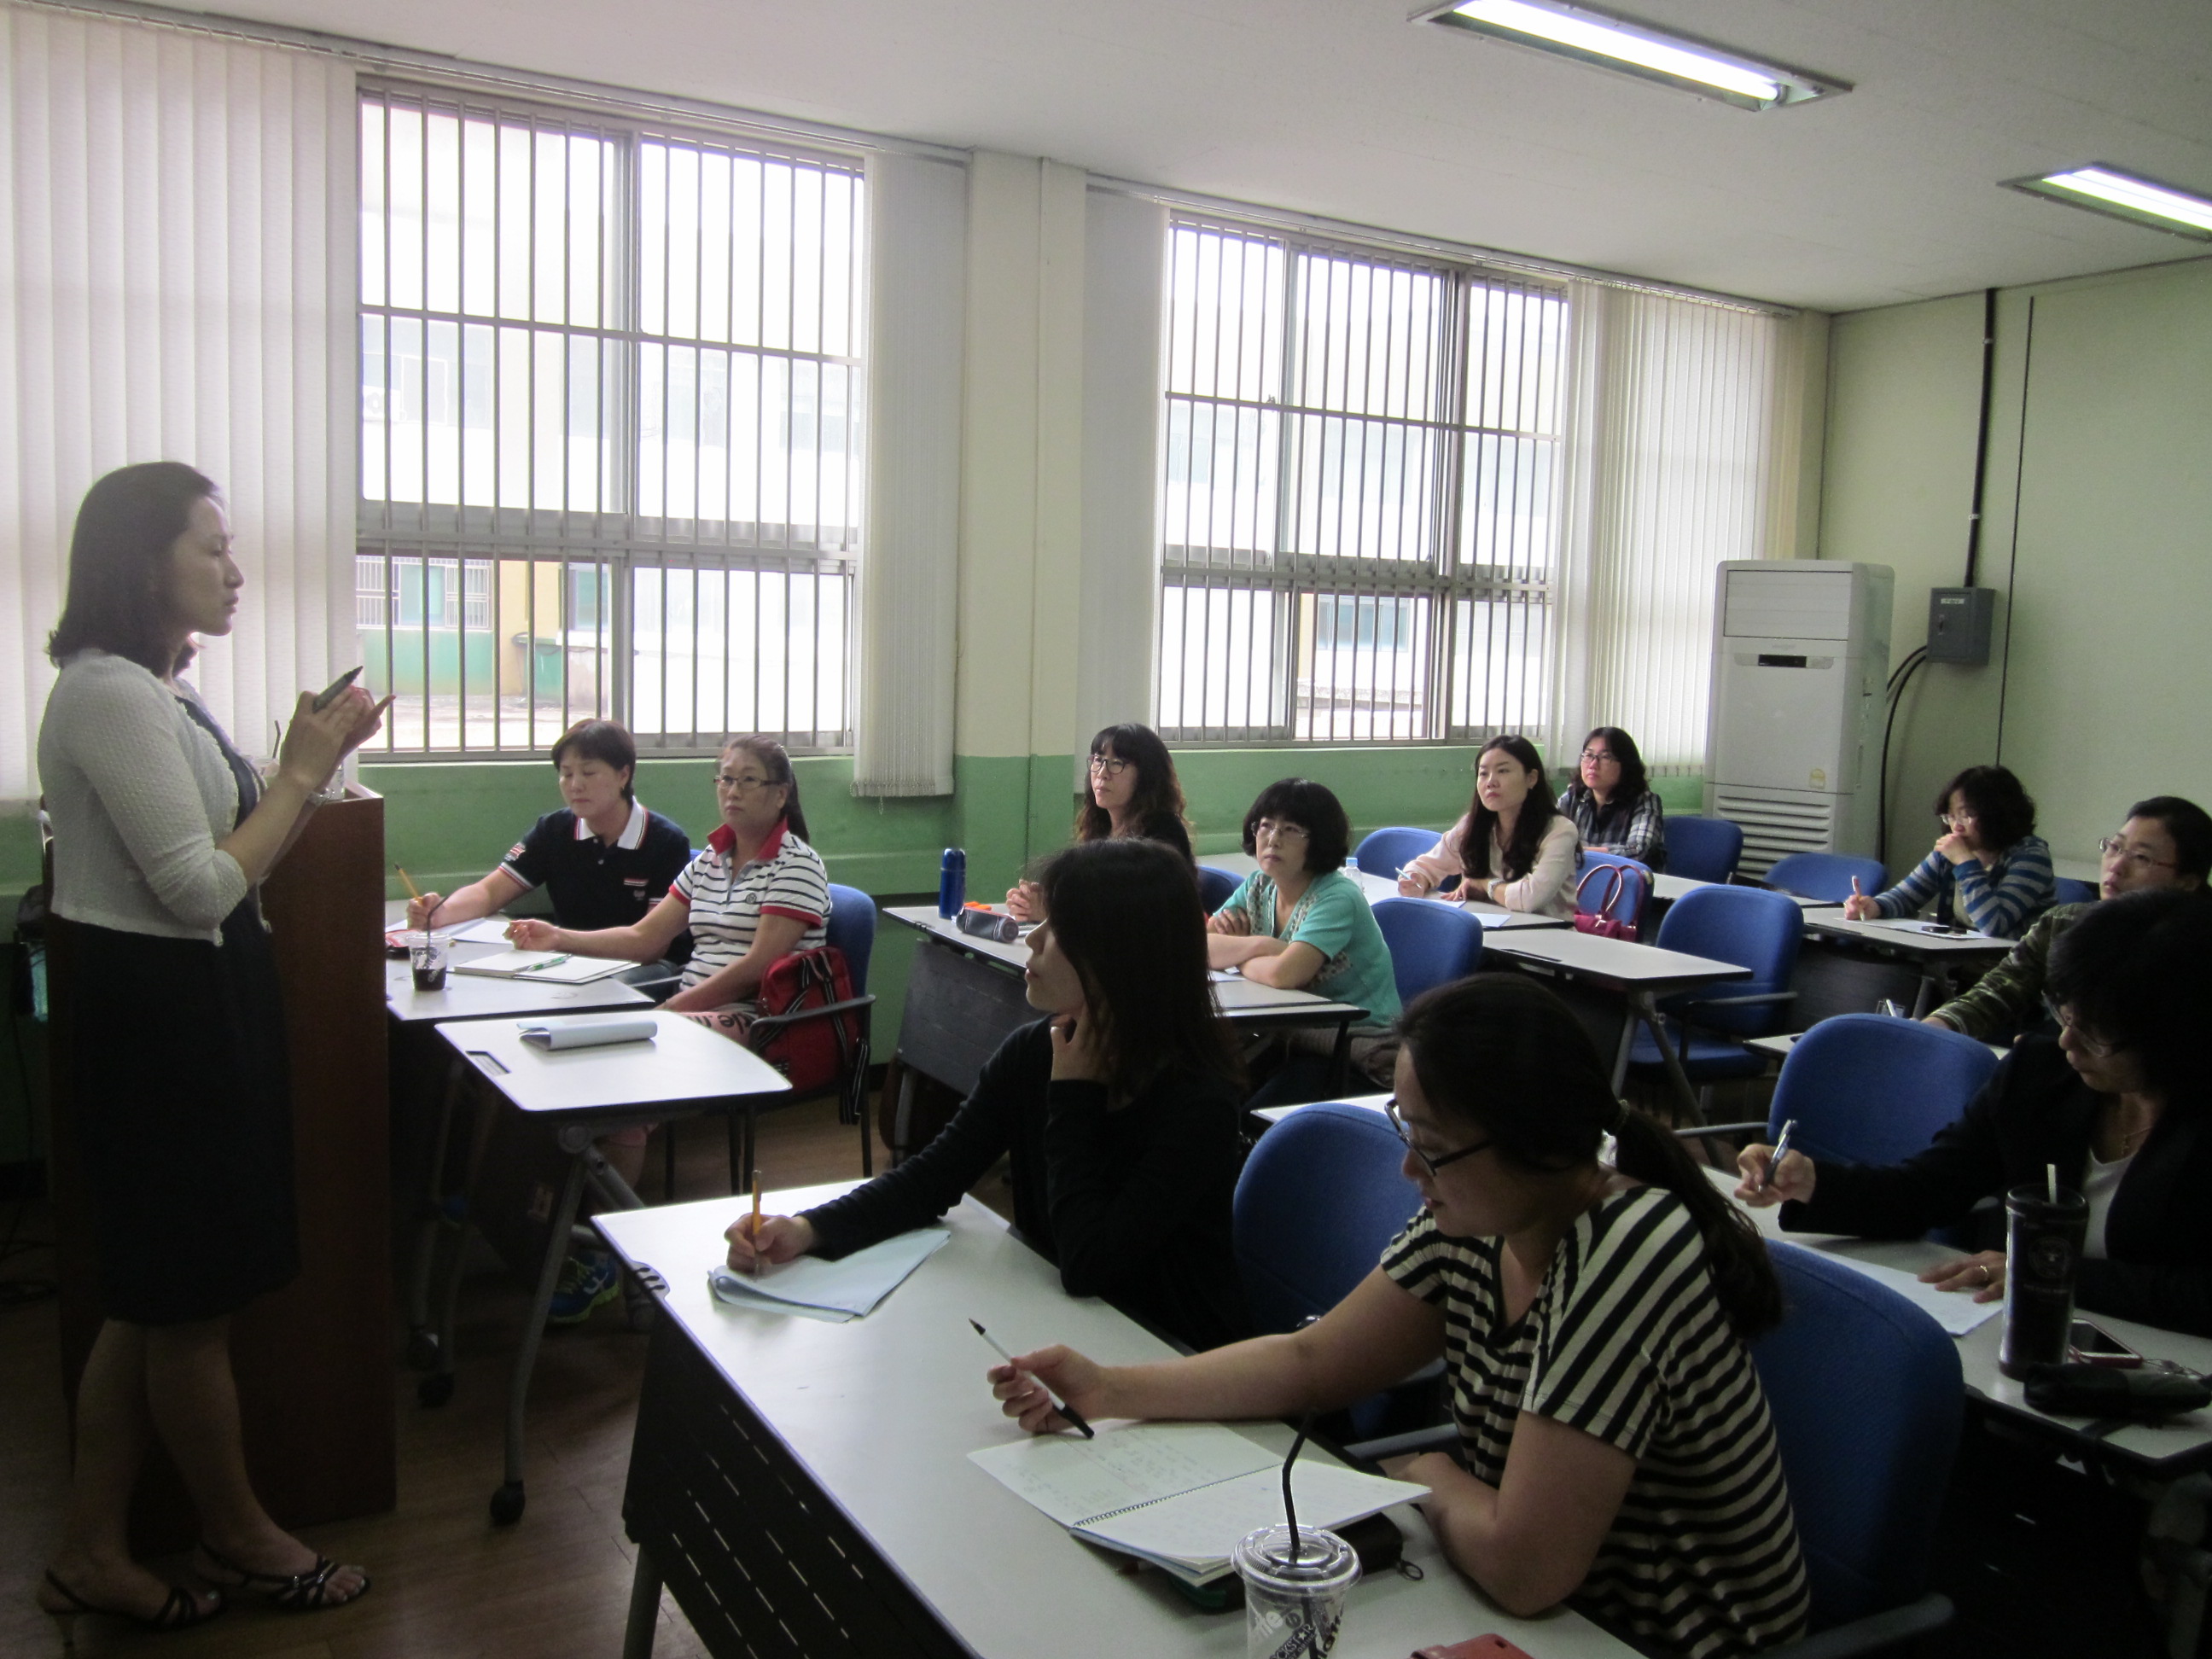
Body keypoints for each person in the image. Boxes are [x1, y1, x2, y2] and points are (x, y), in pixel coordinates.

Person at [989, 975, 1811, 1659]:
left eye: (1434, 1143)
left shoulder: (1629, 1251)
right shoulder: (1480, 1217)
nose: (1411, 1167)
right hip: (1541, 1618)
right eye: (1405, 1129)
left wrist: (1433, 1476)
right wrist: (1105, 1388)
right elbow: (1313, 1363)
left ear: (1538, 1143)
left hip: (1658, 1641)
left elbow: (1525, 1571)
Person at [37, 463, 381, 1638]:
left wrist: (302, 767)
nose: (236, 570)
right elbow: (195, 889)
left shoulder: (159, 692)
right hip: (161, 1015)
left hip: (197, 999)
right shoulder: (108, 696)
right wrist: (297, 771)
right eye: (212, 548)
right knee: (184, 1307)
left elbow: (249, 858)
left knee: (149, 1302)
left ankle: (92, 1550)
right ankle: (238, 1535)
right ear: (144, 563)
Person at [728, 838, 1249, 1351]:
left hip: (1167, 1353)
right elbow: (934, 1177)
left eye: (1057, 928)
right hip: (1064, 1326)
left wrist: (1073, 1096)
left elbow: (1089, 1264)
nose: (1032, 940)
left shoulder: (1199, 1099)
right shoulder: (1033, 1051)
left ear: (1116, 955)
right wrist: (806, 1229)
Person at [1740, 889, 2212, 1337]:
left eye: (2096, 1033)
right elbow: (1928, 1189)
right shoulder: (2040, 1076)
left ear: (2173, 1037)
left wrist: (2051, 1271)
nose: (2067, 1042)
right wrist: (1813, 1182)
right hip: (2030, 1335)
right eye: (2066, 1018)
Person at [507, 733, 830, 1318]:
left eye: (747, 780)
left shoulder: (798, 865)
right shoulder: (708, 860)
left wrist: (666, 1014)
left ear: (781, 793)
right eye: (724, 778)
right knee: (572, 1055)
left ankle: (610, 1260)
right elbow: (644, 938)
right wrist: (558, 937)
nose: (731, 791)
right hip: (691, 1008)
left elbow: (756, 970)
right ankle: (556, 1222)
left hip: (760, 1018)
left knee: (633, 1075)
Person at [401, 718, 692, 977]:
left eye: (588, 773)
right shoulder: (554, 830)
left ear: (623, 775)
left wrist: (558, 939)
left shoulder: (665, 841)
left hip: (642, 969)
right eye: (566, 774)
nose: (575, 785)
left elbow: (647, 946)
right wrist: (441, 912)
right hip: (566, 963)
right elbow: (490, 891)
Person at [1926, 796, 2212, 1041]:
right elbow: (1997, 992)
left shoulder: (2194, 953)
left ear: (2187, 881)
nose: (2117, 866)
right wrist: (1936, 1028)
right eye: (2115, 847)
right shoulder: (2062, 924)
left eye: (2140, 857)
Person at [1208, 777, 1402, 1094]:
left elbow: (1286, 974)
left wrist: (1238, 956)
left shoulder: (1337, 896)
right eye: (1266, 826)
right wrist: (1262, 945)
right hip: (1288, 1031)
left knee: (1249, 1100)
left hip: (1353, 1041)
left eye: (1290, 830)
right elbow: (1199, 948)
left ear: (1319, 841)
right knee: (1211, 1083)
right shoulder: (1260, 885)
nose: (1272, 840)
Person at [1841, 763, 2054, 940]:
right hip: (1960, 963)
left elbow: (1994, 924)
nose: (1957, 827)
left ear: (1998, 815)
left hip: (2013, 975)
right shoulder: (1951, 851)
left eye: (1967, 815)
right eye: (1950, 816)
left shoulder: (2030, 855)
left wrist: (1965, 862)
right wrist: (1875, 906)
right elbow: (1906, 896)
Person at [1006, 722, 1194, 922]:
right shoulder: (1100, 826)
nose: (1102, 773)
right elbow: (1095, 898)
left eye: (1117, 763)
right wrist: (1048, 898)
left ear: (1147, 775)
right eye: (1098, 760)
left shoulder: (1163, 832)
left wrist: (1054, 912)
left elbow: (1133, 916)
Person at [1397, 734, 1580, 919]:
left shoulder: (1560, 831)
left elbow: (1531, 898)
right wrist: (1415, 879)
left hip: (1547, 940)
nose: (1491, 782)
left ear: (1531, 778)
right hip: (1487, 934)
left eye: (1503, 771)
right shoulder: (1472, 825)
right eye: (1483, 773)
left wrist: (1485, 885)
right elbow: (1427, 865)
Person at [1556, 725, 1666, 871]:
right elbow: (1544, 839)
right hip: (1580, 884)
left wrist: (1576, 852)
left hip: (1627, 885)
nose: (1593, 765)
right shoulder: (1572, 798)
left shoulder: (1645, 801)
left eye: (1606, 757)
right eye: (1588, 756)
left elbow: (1638, 851)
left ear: (1626, 765)